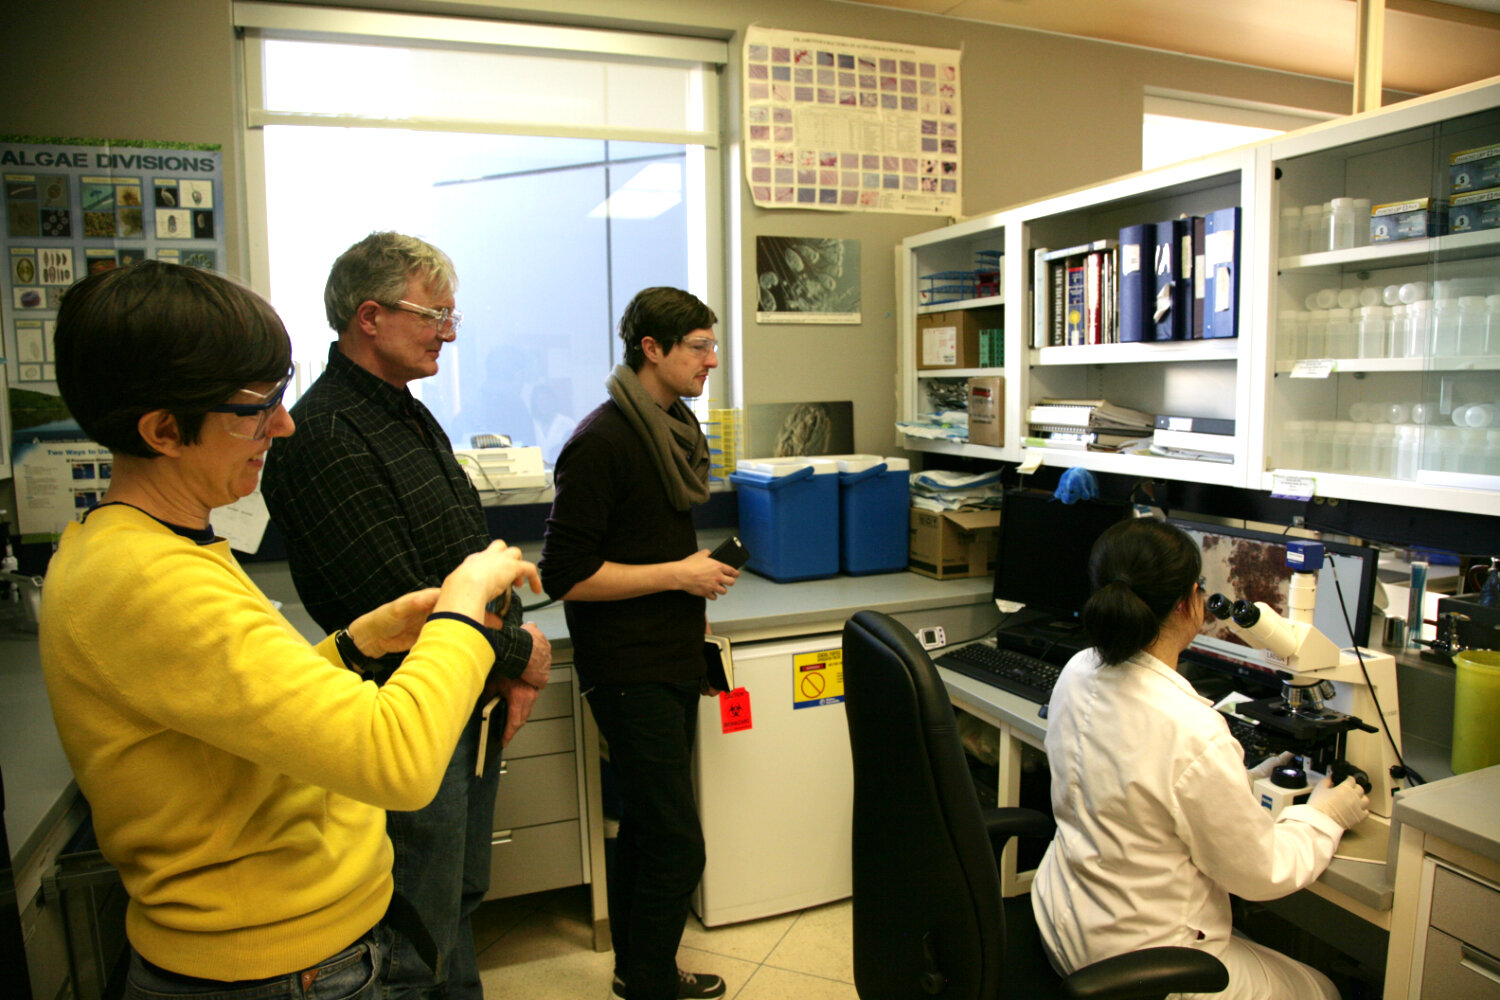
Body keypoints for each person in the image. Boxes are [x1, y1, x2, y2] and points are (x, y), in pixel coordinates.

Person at [39, 260, 541, 999]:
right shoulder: (149, 579)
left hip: (301, 944)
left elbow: (239, 705)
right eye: (255, 408)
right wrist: (467, 604)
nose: (284, 423)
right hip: (277, 968)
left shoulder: (160, 544)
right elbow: (395, 762)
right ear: (162, 430)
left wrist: (355, 644)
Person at [262, 231, 550, 1000]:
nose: (448, 335)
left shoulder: (403, 413)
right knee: (414, 918)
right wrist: (523, 656)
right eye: (435, 316)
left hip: (467, 693)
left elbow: (467, 547)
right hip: (406, 711)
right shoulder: (323, 434)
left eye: (452, 317)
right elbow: (391, 601)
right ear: (369, 317)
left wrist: (510, 665)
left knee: (459, 892)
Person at [1030, 517, 1371, 1000]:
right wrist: (1324, 818)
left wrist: (1241, 778)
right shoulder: (1192, 728)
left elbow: (1138, 790)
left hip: (1065, 921)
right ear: (1189, 603)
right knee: (1320, 989)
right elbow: (1262, 873)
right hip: (1150, 964)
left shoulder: (1078, 670)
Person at [539, 287, 740, 1000]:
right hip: (627, 666)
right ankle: (653, 982)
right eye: (699, 346)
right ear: (651, 349)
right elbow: (565, 574)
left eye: (713, 345)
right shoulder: (602, 440)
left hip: (671, 652)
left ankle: (636, 968)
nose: (712, 360)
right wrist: (677, 574)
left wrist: (689, 594)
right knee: (678, 842)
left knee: (650, 830)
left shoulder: (674, 426)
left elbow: (652, 538)